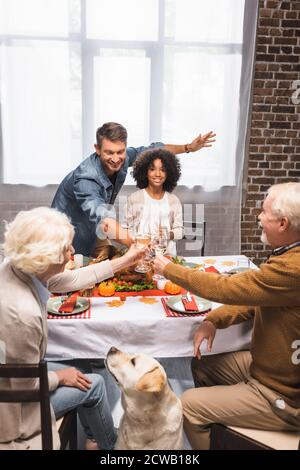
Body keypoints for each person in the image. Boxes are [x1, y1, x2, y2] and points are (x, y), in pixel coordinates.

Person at [153, 182, 300, 449]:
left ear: (283, 224)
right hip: (265, 369)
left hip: (284, 397)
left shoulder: (294, 267)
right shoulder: (288, 254)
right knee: (202, 365)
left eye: (264, 213)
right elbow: (257, 298)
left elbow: (226, 288)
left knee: (188, 404)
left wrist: (168, 269)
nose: (258, 218)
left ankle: (209, 423)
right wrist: (214, 320)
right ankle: (221, 429)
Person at [0, 207, 145, 450]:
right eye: (67, 248)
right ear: (47, 257)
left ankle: (94, 439)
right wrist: (59, 377)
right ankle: (113, 449)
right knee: (95, 384)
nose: (73, 252)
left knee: (80, 368)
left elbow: (69, 280)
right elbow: (25, 387)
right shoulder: (21, 314)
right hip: (14, 414)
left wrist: (125, 261)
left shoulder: (16, 266)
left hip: (18, 379)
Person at [51, 122, 216, 257]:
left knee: (114, 268)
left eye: (120, 152)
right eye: (109, 153)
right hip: (64, 238)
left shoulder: (124, 157)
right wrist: (137, 244)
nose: (116, 159)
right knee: (67, 286)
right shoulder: (85, 179)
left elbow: (154, 149)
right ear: (97, 148)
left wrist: (188, 147)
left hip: (93, 232)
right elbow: (104, 219)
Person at [123, 148, 183, 257]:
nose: (158, 174)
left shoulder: (174, 200)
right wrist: (139, 240)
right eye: (152, 169)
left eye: (163, 170)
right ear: (145, 172)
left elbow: (180, 231)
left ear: (169, 173)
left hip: (167, 258)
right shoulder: (134, 199)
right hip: (140, 258)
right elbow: (126, 229)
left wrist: (167, 234)